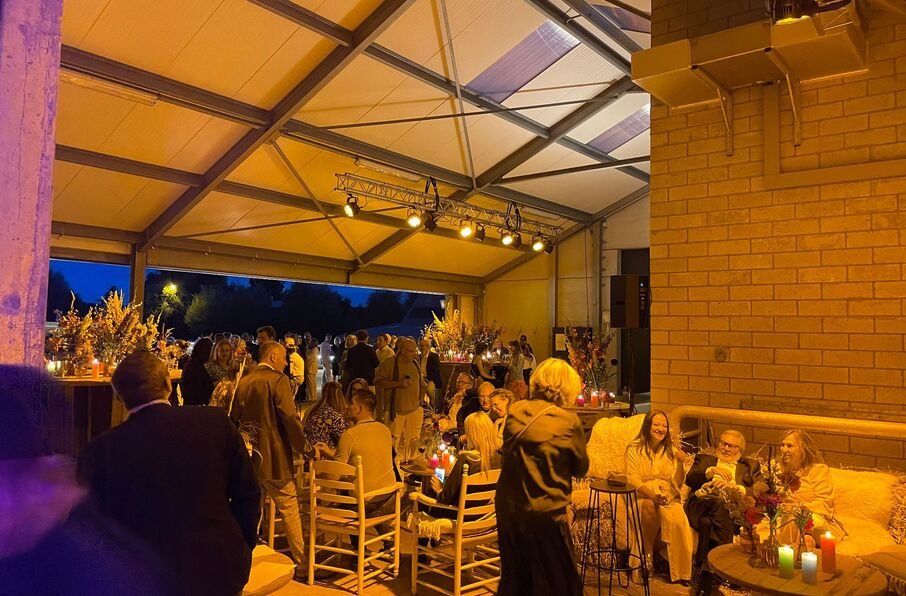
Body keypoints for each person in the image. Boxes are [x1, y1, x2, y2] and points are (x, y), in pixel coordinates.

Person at [77, 351, 260, 595]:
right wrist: (242, 545)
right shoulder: (215, 422)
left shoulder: (100, 450)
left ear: (119, 396)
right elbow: (248, 493)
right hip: (217, 568)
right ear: (168, 385)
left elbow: (86, 526)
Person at [496, 358, 589, 595]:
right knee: (560, 583)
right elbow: (580, 468)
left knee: (516, 579)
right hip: (545, 512)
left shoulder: (515, 410)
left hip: (510, 509)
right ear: (566, 386)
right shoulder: (568, 421)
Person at [231, 341, 308, 572]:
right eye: (284, 358)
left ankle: (246, 558)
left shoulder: (244, 381)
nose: (285, 363)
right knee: (289, 506)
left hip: (250, 456)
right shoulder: (277, 380)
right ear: (273, 356)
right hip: (274, 456)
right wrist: (305, 447)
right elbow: (290, 418)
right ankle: (302, 562)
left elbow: (234, 418)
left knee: (253, 509)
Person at [684, 430, 760, 595]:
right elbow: (690, 479)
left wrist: (736, 488)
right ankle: (726, 568)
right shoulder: (704, 459)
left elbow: (760, 490)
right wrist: (710, 472)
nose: (725, 448)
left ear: (740, 450)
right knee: (718, 503)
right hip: (700, 503)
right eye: (723, 443)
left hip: (730, 511)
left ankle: (705, 576)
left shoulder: (750, 466)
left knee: (707, 522)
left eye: (731, 446)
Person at [625, 410, 693, 584]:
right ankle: (647, 557)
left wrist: (680, 463)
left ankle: (681, 571)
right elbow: (632, 478)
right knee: (649, 506)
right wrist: (651, 495)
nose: (660, 429)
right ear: (647, 426)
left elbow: (678, 481)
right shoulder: (634, 449)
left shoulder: (670, 451)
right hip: (641, 493)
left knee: (678, 520)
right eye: (656, 424)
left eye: (664, 426)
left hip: (666, 494)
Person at [315, 389, 397, 515]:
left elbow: (334, 477)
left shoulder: (350, 435)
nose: (347, 406)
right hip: (388, 499)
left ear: (360, 408)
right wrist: (329, 453)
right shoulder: (385, 430)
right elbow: (366, 457)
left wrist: (315, 475)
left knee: (328, 499)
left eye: (351, 403)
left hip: (365, 504)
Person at [429, 411, 502, 517]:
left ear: (472, 434)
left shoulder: (466, 459)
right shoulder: (499, 459)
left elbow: (445, 498)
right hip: (485, 516)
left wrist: (439, 491)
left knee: (429, 492)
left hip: (461, 516)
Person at [779, 429, 841, 536]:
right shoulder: (778, 470)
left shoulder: (818, 470)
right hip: (783, 519)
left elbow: (824, 504)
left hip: (814, 518)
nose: (784, 450)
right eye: (782, 445)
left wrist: (796, 507)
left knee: (794, 522)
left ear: (803, 449)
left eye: (789, 446)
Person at [375, 337, 426, 461]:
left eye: (415, 351)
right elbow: (379, 382)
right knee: (392, 441)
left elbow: (422, 383)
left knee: (413, 441)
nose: (413, 354)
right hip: (395, 410)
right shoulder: (389, 363)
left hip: (414, 409)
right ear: (402, 350)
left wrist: (420, 400)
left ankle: (410, 464)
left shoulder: (415, 363)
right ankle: (390, 465)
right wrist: (398, 383)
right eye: (410, 351)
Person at [303, 381, 348, 451]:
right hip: (326, 453)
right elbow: (344, 442)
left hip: (309, 451)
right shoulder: (335, 417)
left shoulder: (312, 410)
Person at [180, 337, 214, 406]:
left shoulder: (191, 364)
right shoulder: (199, 368)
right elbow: (200, 391)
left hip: (189, 404)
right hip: (197, 407)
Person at [419, 337, 444, 412]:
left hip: (431, 379)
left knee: (429, 388)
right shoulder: (418, 357)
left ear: (428, 347)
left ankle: (432, 404)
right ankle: (420, 406)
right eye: (421, 346)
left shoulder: (434, 356)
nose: (422, 348)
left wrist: (425, 379)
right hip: (420, 380)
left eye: (424, 346)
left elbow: (436, 371)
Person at [304, 337, 319, 402]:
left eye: (310, 342)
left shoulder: (313, 350)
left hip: (310, 369)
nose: (309, 344)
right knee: (313, 384)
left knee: (310, 385)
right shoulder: (315, 350)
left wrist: (306, 351)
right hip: (312, 369)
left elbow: (308, 359)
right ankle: (313, 397)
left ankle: (311, 398)